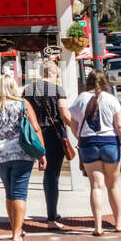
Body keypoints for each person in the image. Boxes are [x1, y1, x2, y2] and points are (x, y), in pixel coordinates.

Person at [0, 73, 46, 241]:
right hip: (22, 153)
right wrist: (42, 153)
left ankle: (16, 228)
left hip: (0, 154)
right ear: (14, 87)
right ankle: (16, 234)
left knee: (9, 193)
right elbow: (36, 128)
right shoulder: (23, 104)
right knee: (19, 193)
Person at [69, 70, 121, 235]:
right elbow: (119, 126)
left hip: (88, 144)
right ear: (104, 82)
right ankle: (118, 222)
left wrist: (80, 137)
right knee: (113, 185)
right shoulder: (111, 99)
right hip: (110, 143)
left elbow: (72, 122)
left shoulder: (81, 99)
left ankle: (98, 227)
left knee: (96, 186)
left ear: (88, 82)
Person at [24, 61, 74, 228]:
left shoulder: (28, 90)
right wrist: (77, 127)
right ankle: (52, 214)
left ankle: (21, 212)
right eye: (57, 75)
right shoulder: (57, 90)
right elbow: (64, 114)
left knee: (28, 174)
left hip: (33, 134)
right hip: (54, 134)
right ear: (52, 73)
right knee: (52, 175)